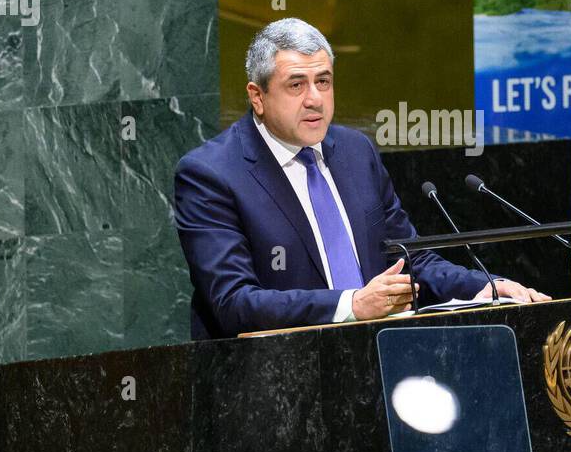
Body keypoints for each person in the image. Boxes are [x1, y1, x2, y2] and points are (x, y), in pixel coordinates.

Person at [174, 17, 550, 339]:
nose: (315, 99)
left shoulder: (356, 152)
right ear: (257, 96)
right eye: (296, 85)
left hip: (378, 361)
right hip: (273, 383)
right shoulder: (211, 175)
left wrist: (485, 286)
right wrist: (351, 305)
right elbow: (234, 302)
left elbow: (409, 259)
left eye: (323, 81)